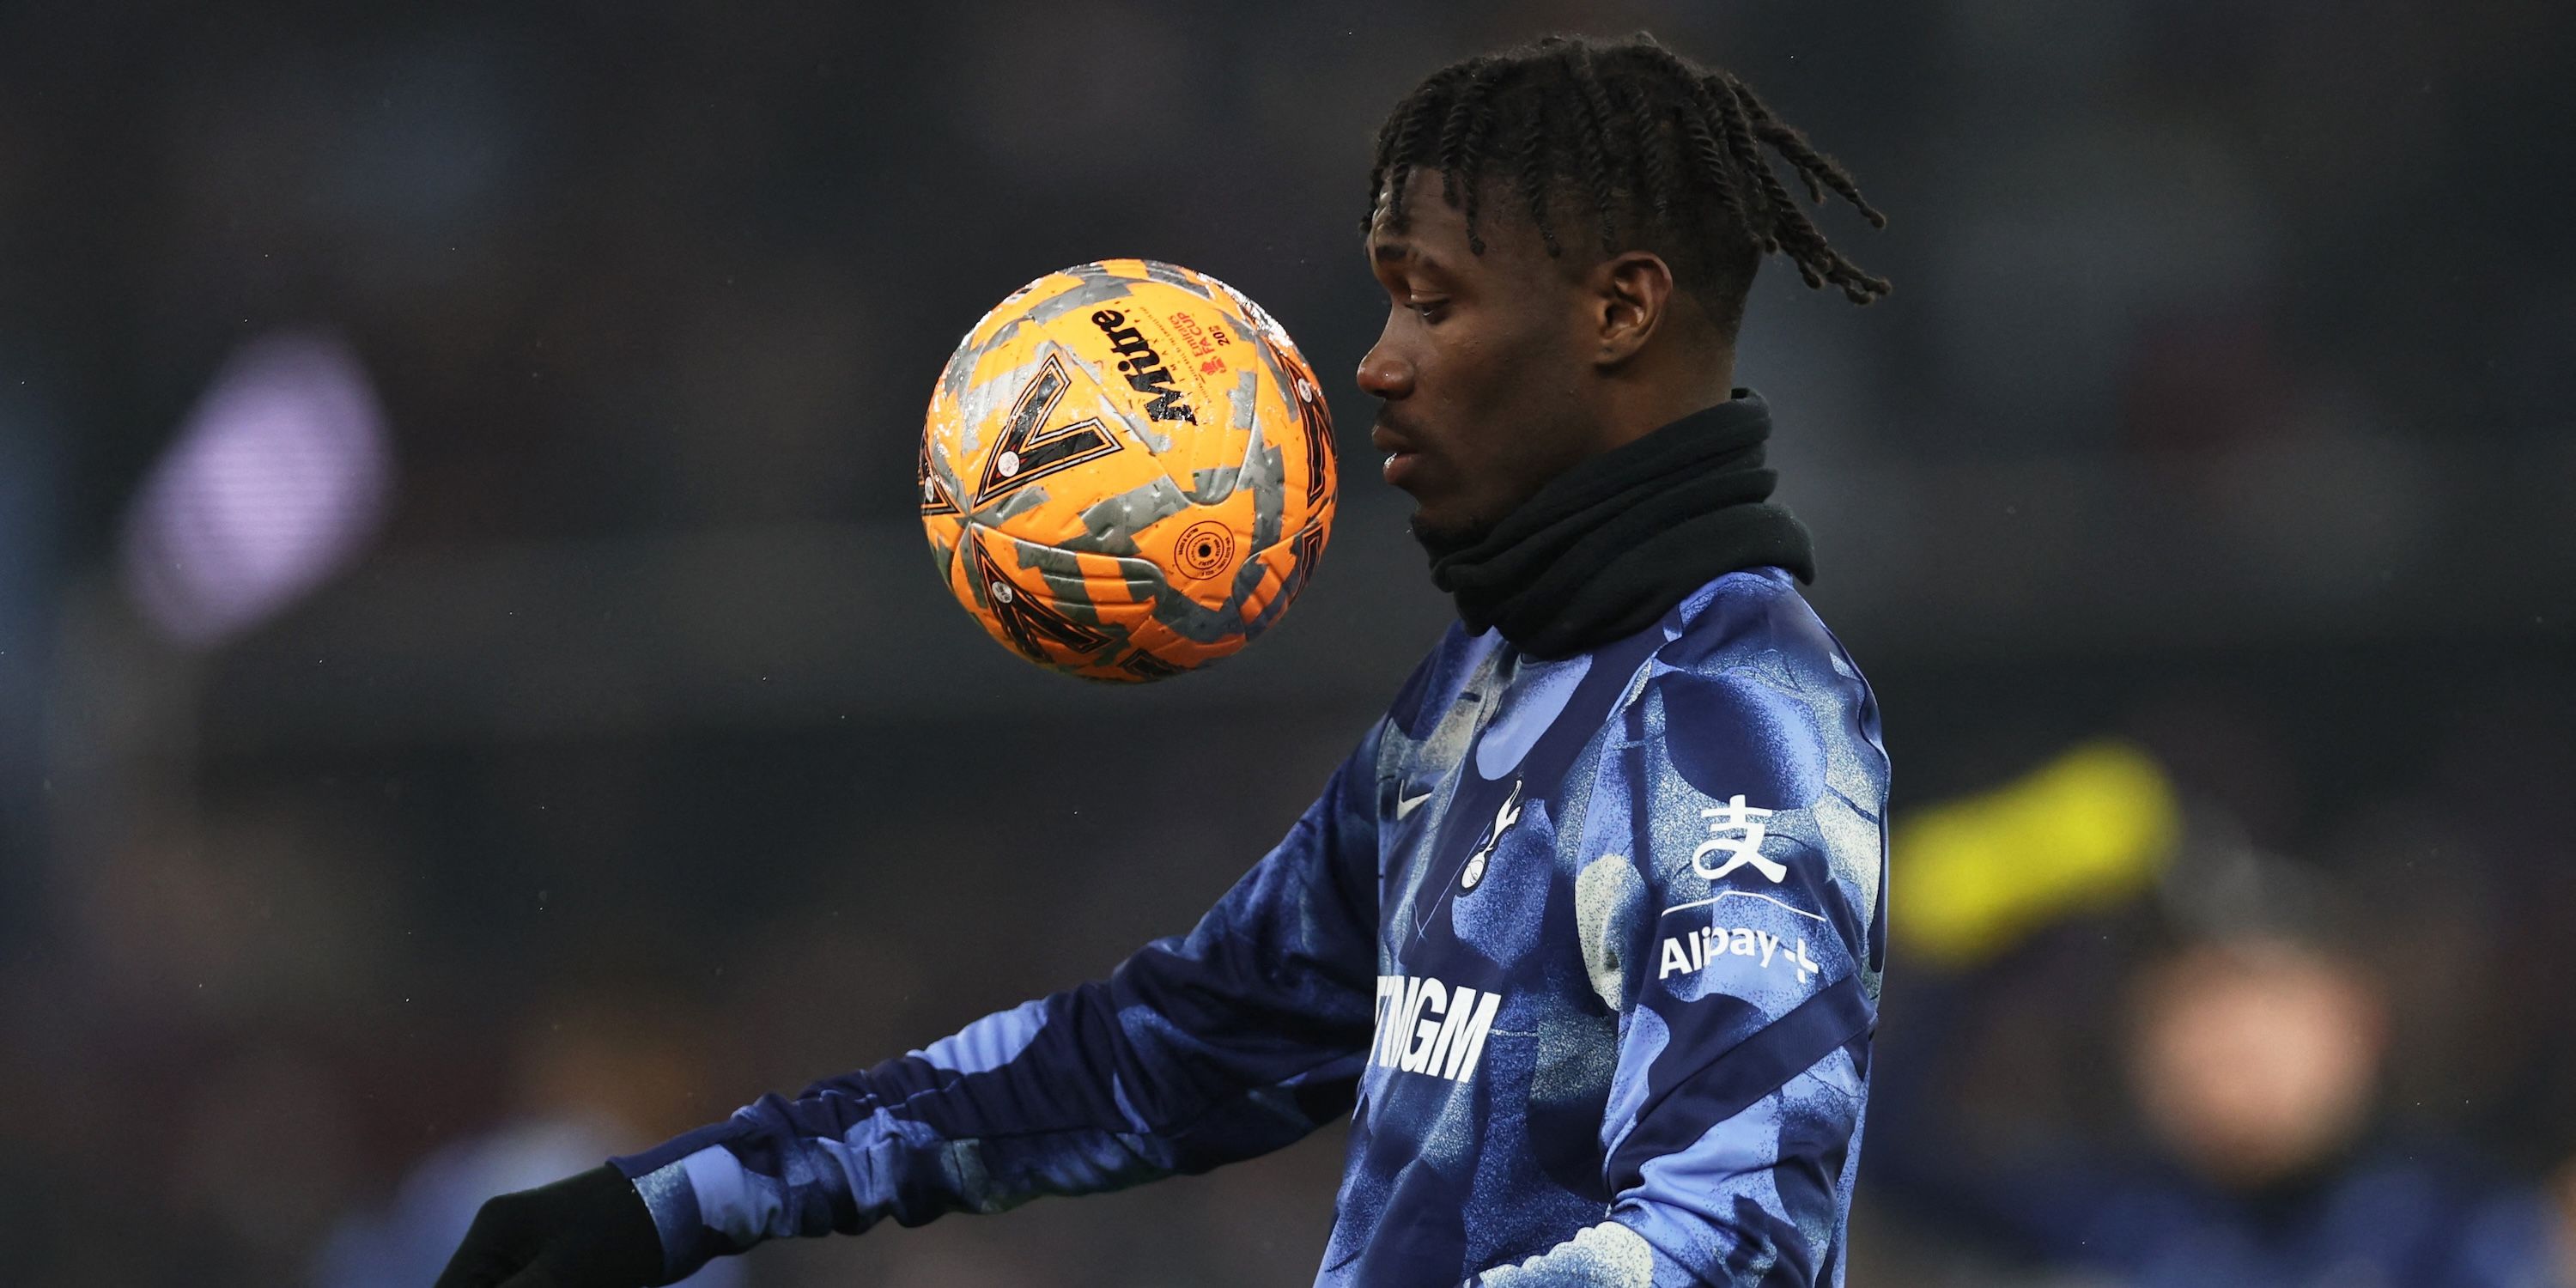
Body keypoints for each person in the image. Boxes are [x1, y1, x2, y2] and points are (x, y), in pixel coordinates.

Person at [437, 33, 1893, 1288]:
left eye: (1432, 303)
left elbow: (1735, 1237)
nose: (1376, 363)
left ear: (1620, 310)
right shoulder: (1480, 693)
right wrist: (679, 1201)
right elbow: (1169, 1049)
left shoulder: (1735, 710)